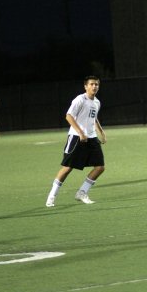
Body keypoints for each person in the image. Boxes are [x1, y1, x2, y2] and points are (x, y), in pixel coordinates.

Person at [45, 75, 106, 207]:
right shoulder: (80, 99)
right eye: (91, 84)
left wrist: (101, 132)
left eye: (96, 84)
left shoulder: (97, 102)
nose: (94, 86)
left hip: (92, 138)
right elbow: (69, 116)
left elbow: (94, 118)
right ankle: (52, 195)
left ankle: (82, 192)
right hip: (76, 138)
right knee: (67, 168)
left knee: (100, 167)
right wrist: (80, 132)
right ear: (86, 86)